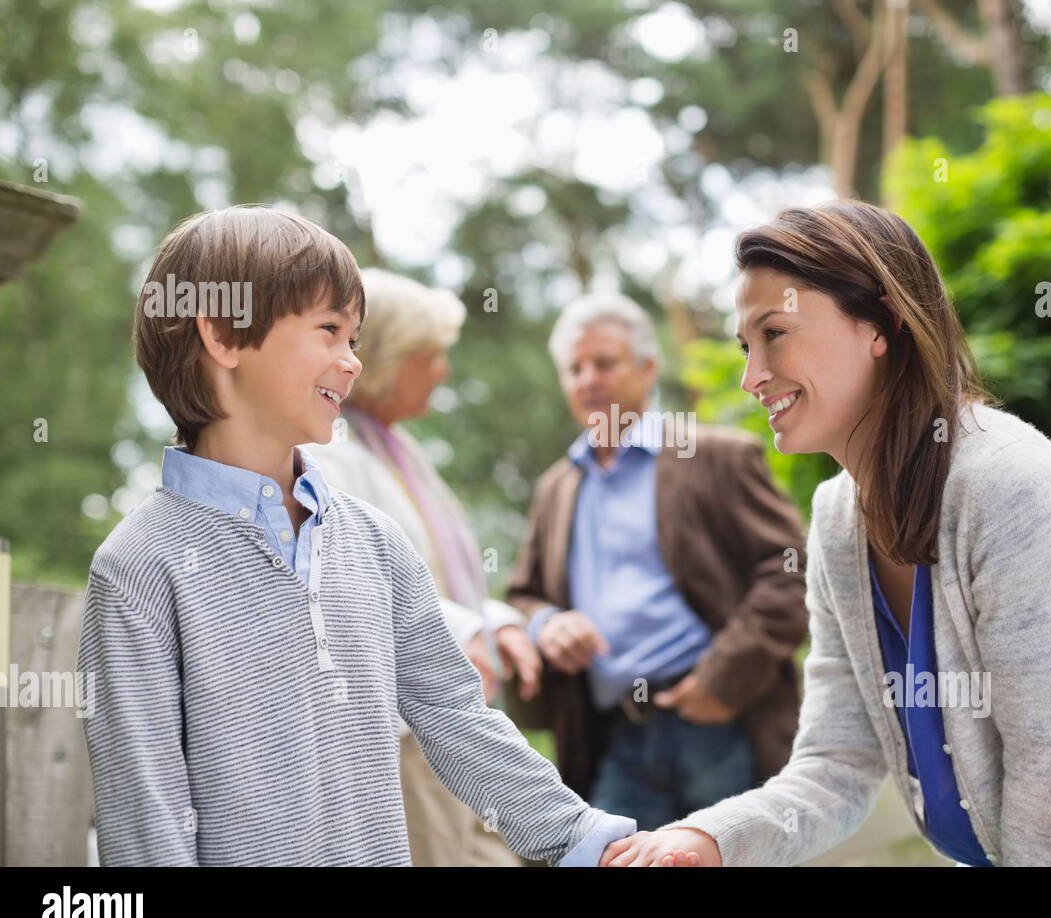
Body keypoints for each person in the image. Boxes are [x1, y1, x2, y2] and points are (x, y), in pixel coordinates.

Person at [601, 199, 1051, 867]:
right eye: (745, 344)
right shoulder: (840, 520)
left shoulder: (1009, 488)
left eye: (775, 334)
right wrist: (707, 839)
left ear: (882, 324)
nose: (753, 375)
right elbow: (838, 761)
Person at [78, 205, 634, 865]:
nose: (351, 363)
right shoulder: (139, 568)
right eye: (330, 331)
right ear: (224, 336)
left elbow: (458, 717)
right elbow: (145, 819)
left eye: (356, 339)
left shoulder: (376, 542)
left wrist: (585, 837)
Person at [505, 293, 808, 832]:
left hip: (718, 723)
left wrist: (723, 679)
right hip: (614, 737)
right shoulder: (556, 488)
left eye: (604, 362)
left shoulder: (716, 456)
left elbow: (792, 569)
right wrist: (549, 624)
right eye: (574, 368)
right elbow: (523, 594)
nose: (587, 379)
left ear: (648, 368)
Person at [301, 268, 539, 867]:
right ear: (385, 359)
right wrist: (472, 631)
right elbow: (363, 588)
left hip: (454, 729)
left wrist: (499, 621)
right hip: (406, 736)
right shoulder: (334, 458)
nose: (443, 372)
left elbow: (429, 578)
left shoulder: (400, 454)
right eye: (429, 356)